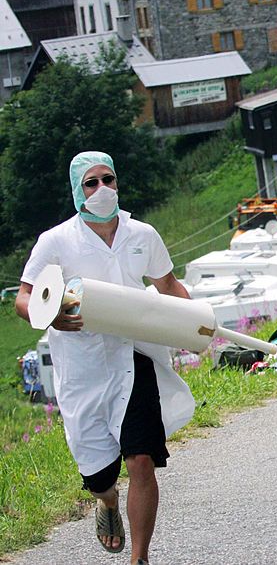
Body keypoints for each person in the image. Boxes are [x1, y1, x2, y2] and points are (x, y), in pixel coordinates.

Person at [14, 152, 195, 565]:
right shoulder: (56, 241)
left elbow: (167, 283)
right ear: (77, 191)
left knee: (142, 459)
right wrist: (51, 315)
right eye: (91, 183)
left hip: (136, 357)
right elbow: (24, 297)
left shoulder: (141, 234)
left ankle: (140, 558)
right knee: (99, 475)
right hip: (83, 366)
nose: (101, 190)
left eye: (107, 179)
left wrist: (197, 326)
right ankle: (108, 503)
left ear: (117, 183)